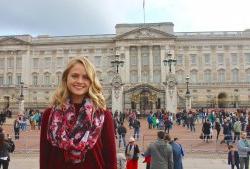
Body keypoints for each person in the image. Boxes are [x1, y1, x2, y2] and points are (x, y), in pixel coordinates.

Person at [40, 58, 117, 169]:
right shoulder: (49, 115)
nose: (79, 81)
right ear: (66, 78)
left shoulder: (103, 116)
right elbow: (45, 157)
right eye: (75, 76)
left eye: (85, 77)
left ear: (91, 81)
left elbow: (111, 160)